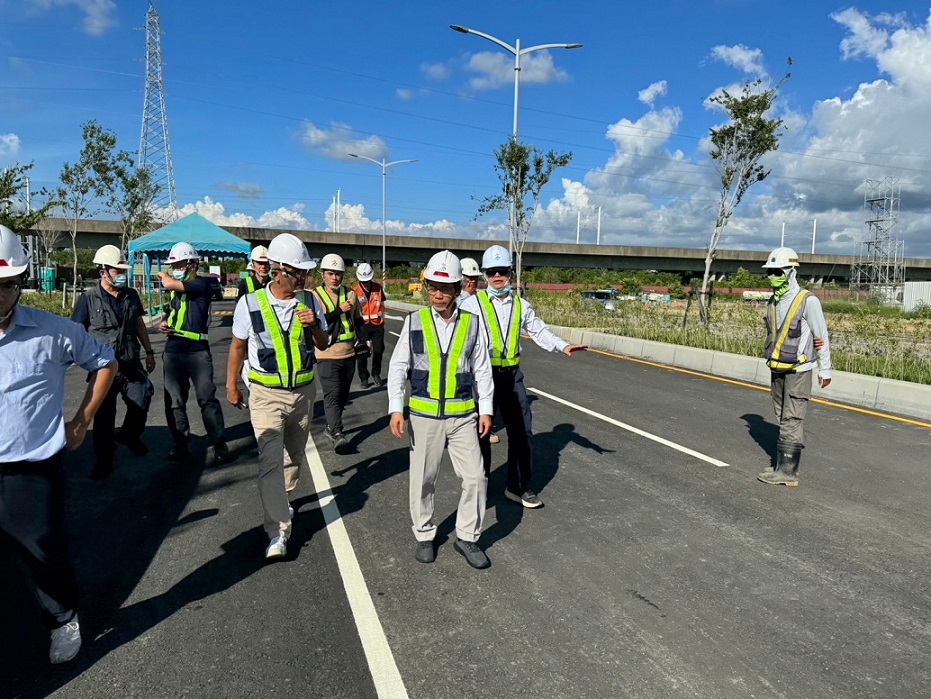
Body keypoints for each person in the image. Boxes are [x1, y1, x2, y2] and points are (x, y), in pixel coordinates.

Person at [0, 225, 118, 664]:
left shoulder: (53, 331)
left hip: (31, 469)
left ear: (21, 282)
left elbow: (105, 361)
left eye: (6, 286)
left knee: (42, 551)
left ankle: (63, 618)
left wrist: (83, 419)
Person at [387, 250, 495, 569]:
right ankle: (424, 534)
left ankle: (467, 536)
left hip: (463, 416)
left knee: (476, 477)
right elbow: (398, 367)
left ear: (458, 290)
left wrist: (486, 409)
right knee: (423, 479)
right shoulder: (414, 322)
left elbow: (483, 369)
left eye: (444, 288)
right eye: (433, 286)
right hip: (423, 417)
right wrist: (396, 408)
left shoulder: (473, 324)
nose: (437, 293)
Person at [460, 245, 587, 509]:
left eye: (503, 271)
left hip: (512, 377)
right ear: (485, 275)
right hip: (483, 377)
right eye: (492, 272)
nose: (498, 277)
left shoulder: (521, 305)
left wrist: (562, 345)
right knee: (480, 434)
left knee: (522, 432)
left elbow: (539, 331)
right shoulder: (472, 304)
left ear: (510, 274)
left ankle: (517, 487)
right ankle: (478, 485)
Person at [227, 234, 329, 559]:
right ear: (278, 271)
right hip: (265, 396)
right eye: (298, 272)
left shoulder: (311, 303)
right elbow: (238, 347)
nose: (304, 278)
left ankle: (282, 499)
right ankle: (278, 532)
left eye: (304, 272)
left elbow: (324, 343)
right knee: (270, 460)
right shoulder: (250, 304)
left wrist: (315, 327)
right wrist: (232, 385)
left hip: (302, 395)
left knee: (293, 458)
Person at [72, 245, 156, 479]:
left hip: (130, 361)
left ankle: (129, 435)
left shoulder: (131, 295)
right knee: (104, 414)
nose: (121, 275)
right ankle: (104, 458)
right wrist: (79, 356)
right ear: (103, 273)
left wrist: (149, 351)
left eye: (122, 271)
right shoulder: (88, 299)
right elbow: (77, 331)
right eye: (116, 271)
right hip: (103, 367)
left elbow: (139, 324)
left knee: (143, 396)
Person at [757, 247, 832, 487]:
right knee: (781, 414)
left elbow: (821, 336)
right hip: (777, 366)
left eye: (777, 271)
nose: (772, 276)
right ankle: (783, 464)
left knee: (792, 415)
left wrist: (825, 369)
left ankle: (787, 472)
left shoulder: (808, 301)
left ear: (790, 272)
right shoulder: (774, 301)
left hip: (799, 369)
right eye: (769, 272)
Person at [157, 242, 231, 466]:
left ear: (191, 265)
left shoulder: (200, 284)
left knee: (206, 398)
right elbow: (173, 310)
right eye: (173, 265)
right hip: (173, 348)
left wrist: (162, 274)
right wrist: (164, 322)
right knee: (174, 401)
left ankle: (219, 443)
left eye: (178, 264)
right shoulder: (177, 290)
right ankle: (180, 443)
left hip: (197, 351)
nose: (174, 268)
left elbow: (169, 283)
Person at [311, 253, 367, 453]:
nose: (334, 278)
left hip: (348, 353)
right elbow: (318, 322)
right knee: (332, 395)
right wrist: (339, 310)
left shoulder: (350, 294)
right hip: (326, 353)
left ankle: (330, 425)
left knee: (343, 394)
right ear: (323, 275)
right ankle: (336, 432)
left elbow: (358, 319)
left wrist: (365, 339)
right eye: (330, 273)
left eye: (338, 274)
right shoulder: (314, 295)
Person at [352, 262, 386, 389]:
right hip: (362, 326)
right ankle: (364, 378)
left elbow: (382, 303)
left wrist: (382, 316)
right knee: (362, 353)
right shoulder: (354, 291)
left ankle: (376, 373)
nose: (365, 283)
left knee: (378, 351)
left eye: (367, 280)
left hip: (377, 325)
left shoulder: (378, 288)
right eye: (363, 281)